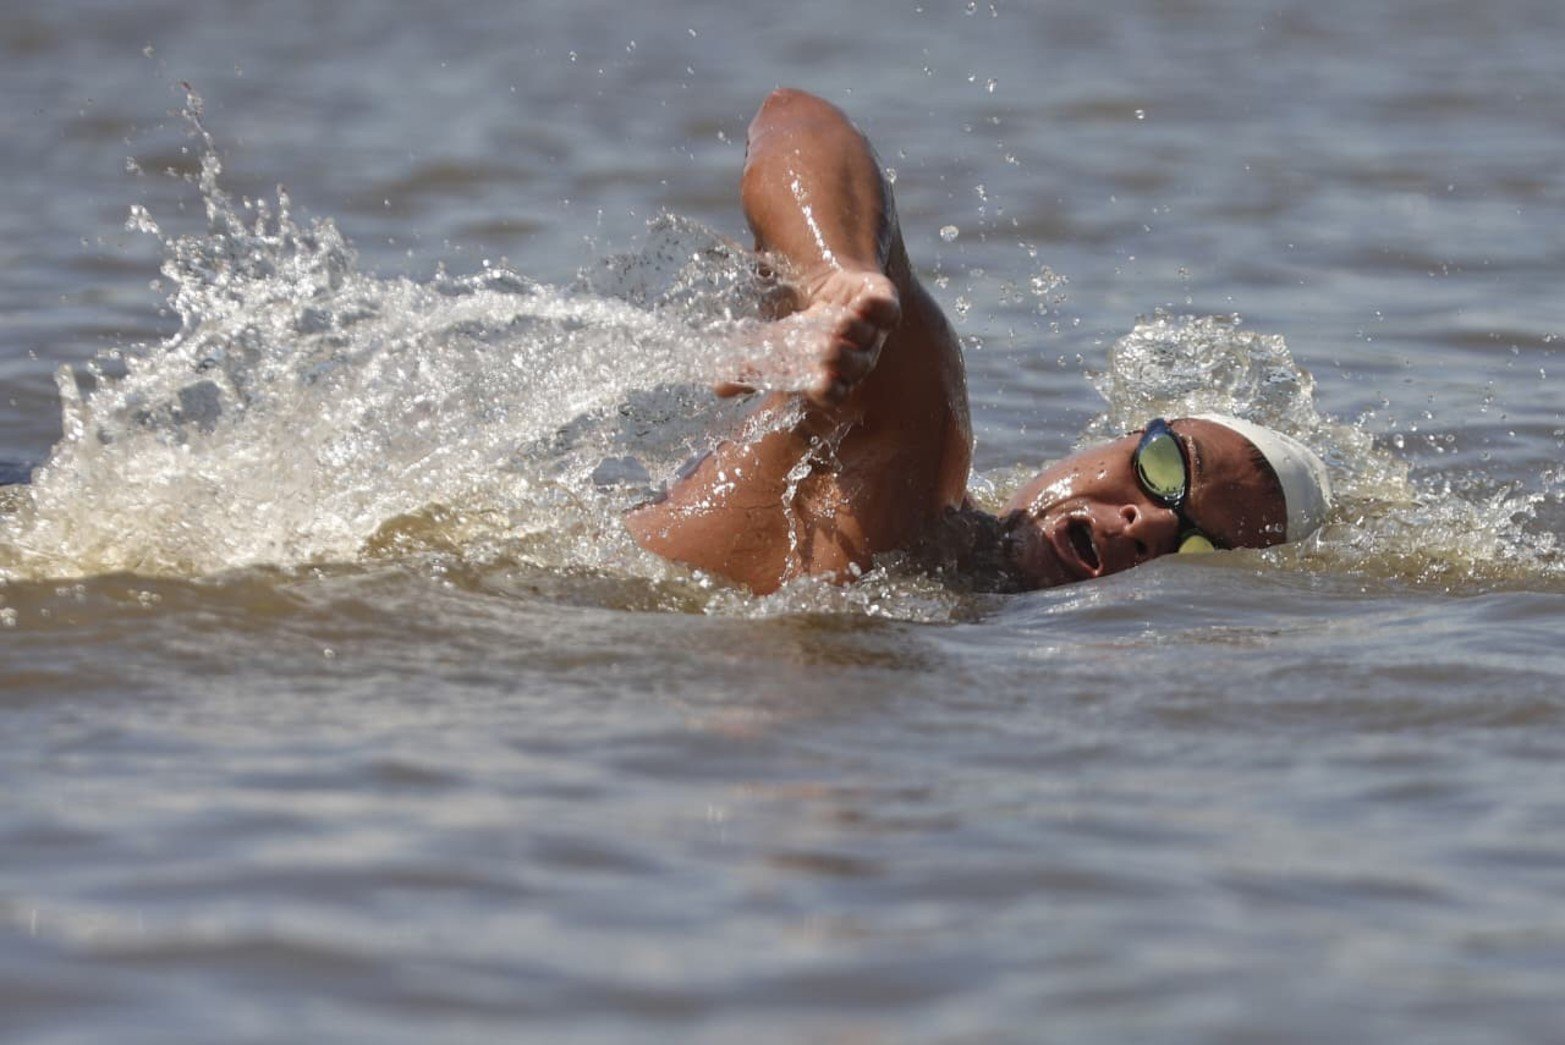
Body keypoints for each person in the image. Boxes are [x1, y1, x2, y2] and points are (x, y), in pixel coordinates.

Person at [626, 88, 1331, 595]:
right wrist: (835, 276)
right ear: (1113, 439)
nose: (1144, 523)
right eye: (1164, 469)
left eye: (1196, 548)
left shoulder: (965, 620)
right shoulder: (912, 454)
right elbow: (797, 118)